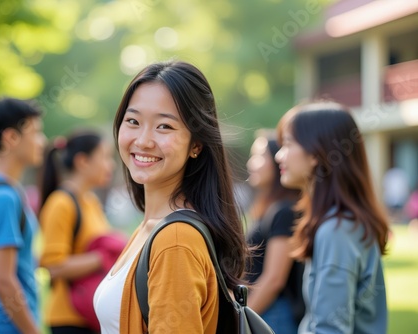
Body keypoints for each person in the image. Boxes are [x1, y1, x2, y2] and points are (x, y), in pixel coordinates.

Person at [93, 60, 248, 333]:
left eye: (164, 127)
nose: (143, 140)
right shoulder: (151, 227)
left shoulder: (175, 240)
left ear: (196, 145)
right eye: (133, 121)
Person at [275, 101, 389, 334]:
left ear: (317, 153)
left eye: (287, 144)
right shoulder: (340, 224)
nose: (279, 156)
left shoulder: (337, 230)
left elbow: (330, 330)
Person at [0, 97, 47, 333]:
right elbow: (3, 281)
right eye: (35, 133)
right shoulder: (3, 198)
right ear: (11, 138)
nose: (42, 141)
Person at [38, 130, 117, 334]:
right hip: (69, 319)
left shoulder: (90, 201)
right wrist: (103, 258)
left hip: (91, 314)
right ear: (82, 161)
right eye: (105, 157)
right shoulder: (61, 203)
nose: (111, 165)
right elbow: (53, 266)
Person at [245, 131, 303, 334]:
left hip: (274, 315)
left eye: (260, 156)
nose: (251, 163)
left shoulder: (285, 211)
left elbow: (274, 279)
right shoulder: (267, 210)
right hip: (266, 312)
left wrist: (241, 320)